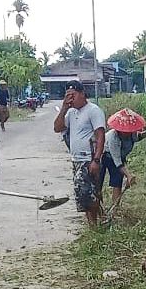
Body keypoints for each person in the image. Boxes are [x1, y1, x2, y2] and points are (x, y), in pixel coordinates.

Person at [53, 80, 105, 226]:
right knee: (83, 194)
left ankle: (94, 223)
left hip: (88, 158)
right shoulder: (71, 112)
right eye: (68, 96)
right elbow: (57, 128)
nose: (71, 99)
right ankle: (97, 220)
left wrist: (96, 159)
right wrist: (64, 108)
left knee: (87, 194)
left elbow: (100, 135)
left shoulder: (93, 110)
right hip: (76, 159)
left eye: (73, 95)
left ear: (82, 94)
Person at [101, 108, 146, 207]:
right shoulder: (113, 138)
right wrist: (128, 175)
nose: (127, 132)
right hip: (105, 156)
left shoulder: (132, 133)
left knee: (117, 183)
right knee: (98, 183)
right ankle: (98, 209)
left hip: (120, 158)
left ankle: (115, 208)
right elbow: (117, 161)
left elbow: (138, 137)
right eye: (125, 131)